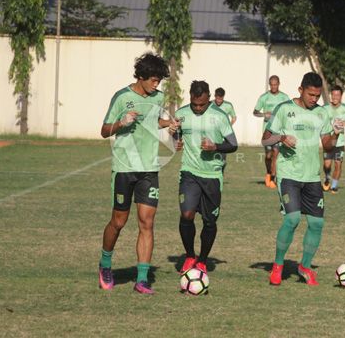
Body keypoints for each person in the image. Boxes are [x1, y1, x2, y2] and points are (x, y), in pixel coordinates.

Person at [98, 52, 174, 294]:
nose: (157, 84)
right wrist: (122, 123)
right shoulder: (122, 97)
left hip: (149, 169)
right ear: (140, 77)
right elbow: (104, 130)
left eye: (159, 80)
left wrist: (169, 124)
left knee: (147, 222)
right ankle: (105, 264)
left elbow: (154, 121)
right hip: (124, 168)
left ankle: (142, 279)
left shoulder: (158, 97)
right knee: (119, 222)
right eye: (153, 79)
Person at [262, 72, 342, 286]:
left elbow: (327, 146)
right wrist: (281, 137)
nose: (314, 99)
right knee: (292, 219)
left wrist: (334, 134)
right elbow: (265, 138)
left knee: (317, 223)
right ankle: (278, 266)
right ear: (301, 90)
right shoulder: (285, 109)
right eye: (310, 94)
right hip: (289, 174)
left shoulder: (321, 114)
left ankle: (305, 267)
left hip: (312, 177)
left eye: (317, 96)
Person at [172, 81, 238, 275]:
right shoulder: (182, 113)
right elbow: (176, 134)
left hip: (212, 175)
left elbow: (233, 145)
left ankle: (202, 260)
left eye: (202, 104)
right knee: (186, 215)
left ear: (208, 97)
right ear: (190, 97)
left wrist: (215, 146)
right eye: (195, 104)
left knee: (209, 221)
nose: (198, 108)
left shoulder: (219, 116)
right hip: (189, 172)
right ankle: (190, 255)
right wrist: (176, 141)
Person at [254, 75, 290, 188]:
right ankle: (268, 172)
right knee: (268, 155)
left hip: (279, 131)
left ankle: (273, 178)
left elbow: (289, 111)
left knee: (276, 154)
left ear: (279, 84)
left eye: (276, 84)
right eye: (272, 85)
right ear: (269, 85)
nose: (274, 86)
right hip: (267, 132)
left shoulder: (284, 97)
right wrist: (264, 114)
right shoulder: (264, 97)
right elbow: (255, 112)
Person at [322, 85, 345, 194]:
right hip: (328, 141)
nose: (335, 97)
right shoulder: (325, 108)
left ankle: (334, 186)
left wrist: (344, 123)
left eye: (338, 95)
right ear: (331, 95)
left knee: (338, 164)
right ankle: (327, 178)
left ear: (341, 96)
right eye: (333, 94)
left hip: (340, 142)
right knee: (327, 164)